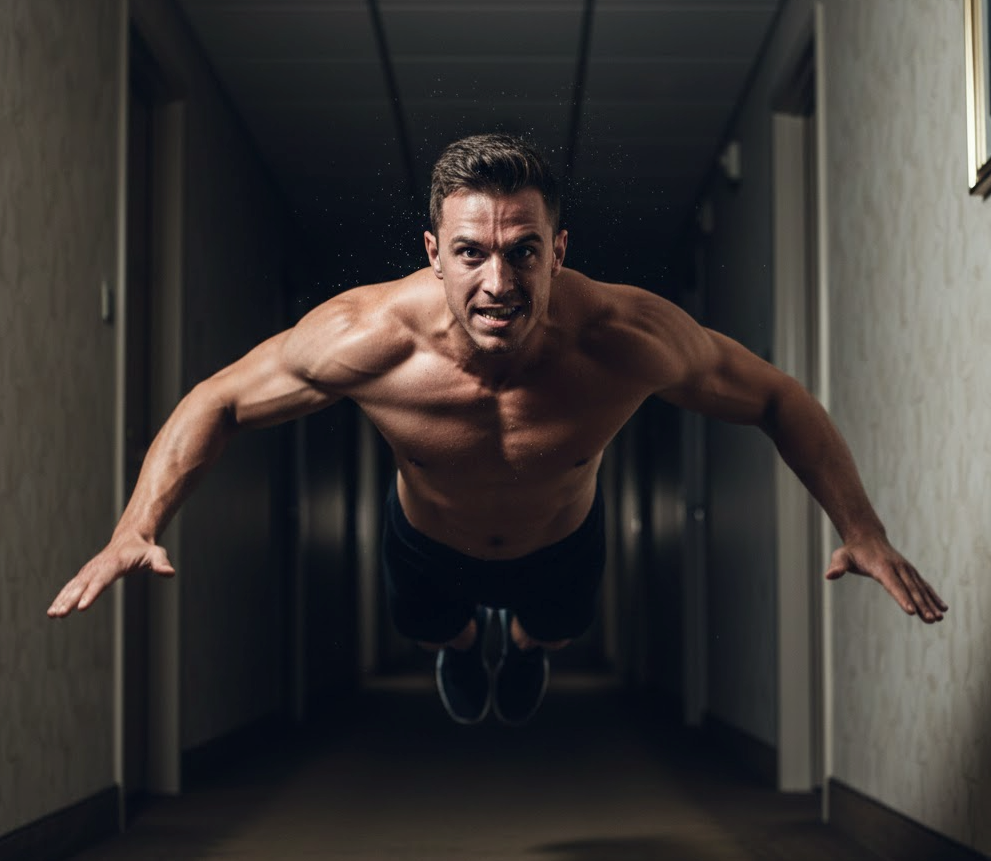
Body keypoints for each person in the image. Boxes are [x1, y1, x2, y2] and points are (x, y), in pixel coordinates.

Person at [47, 133, 947, 726]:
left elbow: (775, 397)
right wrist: (137, 524)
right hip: (424, 542)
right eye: (470, 252)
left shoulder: (626, 336)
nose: (498, 282)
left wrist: (860, 529)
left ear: (559, 250)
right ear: (432, 253)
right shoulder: (366, 338)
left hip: (563, 541)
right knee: (433, 627)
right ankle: (468, 646)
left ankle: (521, 647)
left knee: (553, 627)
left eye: (523, 251)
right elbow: (219, 399)